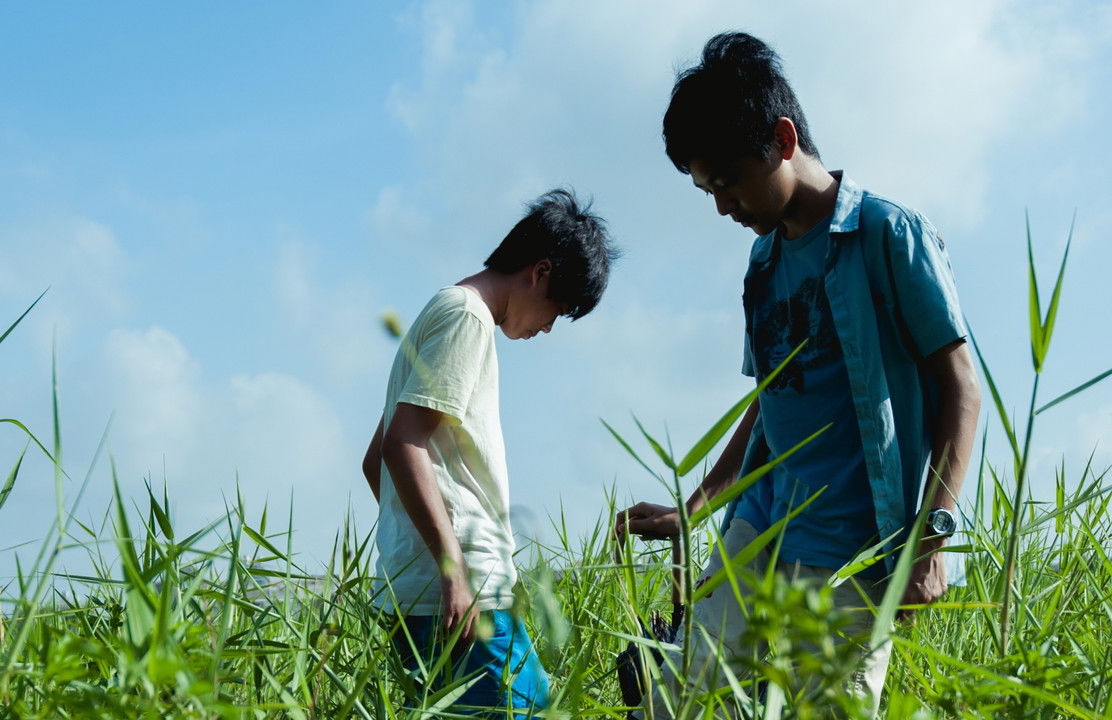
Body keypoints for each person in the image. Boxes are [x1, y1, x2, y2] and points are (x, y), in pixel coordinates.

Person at [615, 32, 982, 717]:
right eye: (707, 190)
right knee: (683, 704)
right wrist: (693, 510)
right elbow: (768, 401)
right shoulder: (762, 265)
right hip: (761, 525)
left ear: (783, 140)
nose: (723, 206)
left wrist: (932, 535)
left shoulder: (888, 235)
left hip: (852, 546)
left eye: (728, 182)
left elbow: (961, 386)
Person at [363, 188, 618, 716]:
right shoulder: (468, 317)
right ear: (539, 272)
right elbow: (400, 443)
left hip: (426, 592)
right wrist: (453, 566)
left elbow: (379, 458)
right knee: (530, 708)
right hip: (461, 592)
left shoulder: (445, 312)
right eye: (558, 309)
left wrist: (417, 550)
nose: (548, 326)